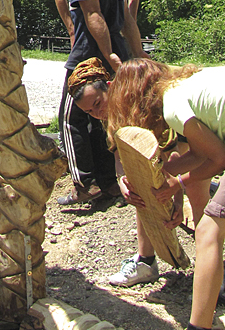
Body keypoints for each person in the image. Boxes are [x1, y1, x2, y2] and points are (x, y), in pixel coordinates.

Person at [108, 58, 225, 328]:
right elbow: (201, 153)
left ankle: (198, 326)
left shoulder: (173, 107)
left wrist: (178, 183)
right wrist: (165, 170)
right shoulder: (183, 86)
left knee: (208, 230)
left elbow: (218, 159)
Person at [67, 58, 209, 287]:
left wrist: (178, 197)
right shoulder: (110, 116)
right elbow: (119, 153)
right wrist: (124, 182)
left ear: (110, 88)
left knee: (198, 196)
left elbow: (175, 150)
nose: (96, 112)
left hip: (191, 136)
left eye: (97, 103)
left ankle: (210, 269)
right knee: (139, 190)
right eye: (89, 111)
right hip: (170, 152)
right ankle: (146, 262)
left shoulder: (142, 101)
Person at [52, 0, 134, 204]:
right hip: (113, 49)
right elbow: (125, 16)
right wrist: (130, 53)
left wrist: (106, 52)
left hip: (88, 54)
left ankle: (82, 183)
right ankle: (108, 181)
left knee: (69, 118)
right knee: (103, 114)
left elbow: (92, 14)